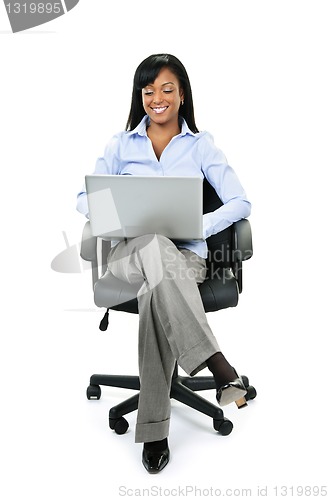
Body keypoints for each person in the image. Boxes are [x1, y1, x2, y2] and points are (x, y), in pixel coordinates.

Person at [77, 54, 251, 474]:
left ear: (182, 95)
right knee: (151, 243)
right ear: (141, 97)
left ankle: (154, 432)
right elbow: (84, 201)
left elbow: (240, 201)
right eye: (149, 90)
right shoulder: (120, 145)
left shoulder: (201, 145)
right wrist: (122, 216)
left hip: (186, 257)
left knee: (161, 282)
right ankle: (220, 367)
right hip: (127, 256)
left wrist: (198, 224)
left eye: (166, 89)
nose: (157, 98)